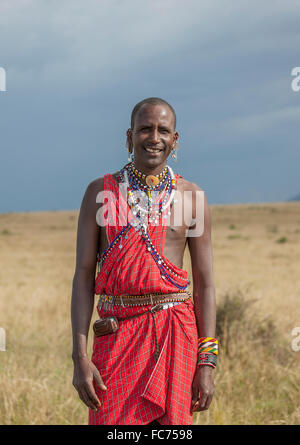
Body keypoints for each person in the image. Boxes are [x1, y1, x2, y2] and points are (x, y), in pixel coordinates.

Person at [71, 97, 217, 425]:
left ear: (174, 139)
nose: (154, 137)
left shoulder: (193, 198)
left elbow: (205, 285)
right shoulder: (100, 193)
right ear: (129, 136)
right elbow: (83, 275)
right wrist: (80, 356)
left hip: (176, 338)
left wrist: (206, 362)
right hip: (117, 337)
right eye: (144, 129)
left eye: (163, 130)